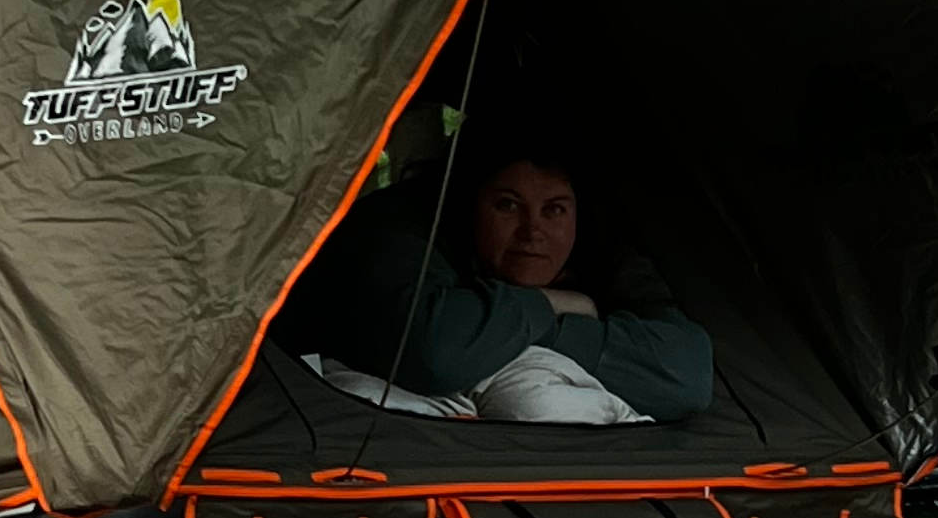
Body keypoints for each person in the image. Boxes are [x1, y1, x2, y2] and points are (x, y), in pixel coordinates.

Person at [287, 135, 713, 426]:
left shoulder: (600, 247)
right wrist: (549, 303)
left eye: (554, 210)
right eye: (508, 206)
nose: (532, 231)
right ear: (468, 206)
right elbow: (435, 351)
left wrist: (503, 327)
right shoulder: (401, 229)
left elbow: (685, 375)